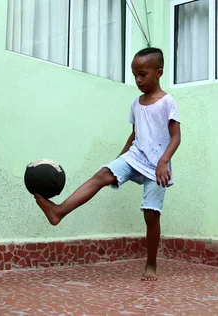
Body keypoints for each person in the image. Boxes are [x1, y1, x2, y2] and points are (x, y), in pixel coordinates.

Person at [34, 47, 181, 281]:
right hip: (136, 156)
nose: (138, 80)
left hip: (157, 165)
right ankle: (59, 211)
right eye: (135, 75)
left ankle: (151, 264)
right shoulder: (136, 103)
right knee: (102, 175)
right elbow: (135, 135)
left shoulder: (167, 102)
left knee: (151, 216)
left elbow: (176, 137)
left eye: (143, 74)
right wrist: (119, 159)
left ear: (159, 72)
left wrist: (164, 162)